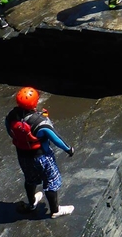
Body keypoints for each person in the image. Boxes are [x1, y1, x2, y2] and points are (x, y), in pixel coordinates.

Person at [5, 87, 75, 218]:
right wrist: (69, 149)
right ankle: (55, 210)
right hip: (42, 156)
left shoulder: (11, 116)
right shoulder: (40, 122)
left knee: (30, 179)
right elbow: (56, 139)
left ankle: (31, 204)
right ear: (35, 103)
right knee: (51, 181)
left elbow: (10, 132)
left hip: (23, 155)